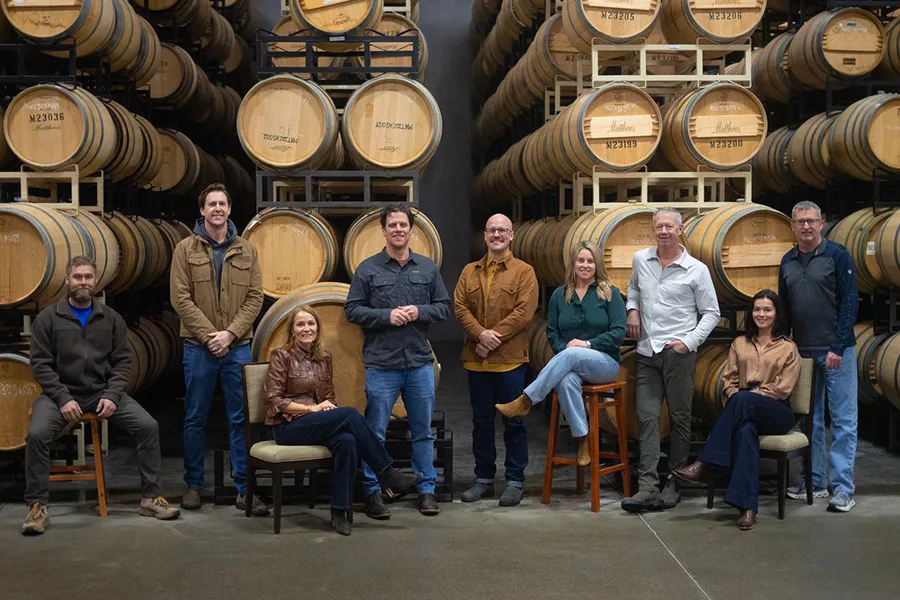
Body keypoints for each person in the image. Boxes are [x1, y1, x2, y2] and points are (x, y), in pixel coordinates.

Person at [23, 256, 180, 535]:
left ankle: (150, 498)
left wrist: (112, 394)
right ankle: (37, 506)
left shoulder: (111, 318)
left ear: (96, 282)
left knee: (147, 426)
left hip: (101, 393)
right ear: (67, 280)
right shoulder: (48, 318)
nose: (83, 282)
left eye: (88, 277)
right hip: (61, 395)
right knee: (37, 434)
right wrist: (62, 397)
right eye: (77, 277)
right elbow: (40, 365)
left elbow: (122, 363)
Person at [264, 305, 418, 535]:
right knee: (350, 414)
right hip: (288, 427)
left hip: (315, 423)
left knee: (347, 441)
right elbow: (273, 401)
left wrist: (323, 409)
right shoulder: (281, 355)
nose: (306, 328)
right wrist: (312, 408)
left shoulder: (323, 358)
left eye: (311, 323)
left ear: (317, 327)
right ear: (292, 330)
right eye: (300, 324)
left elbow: (329, 398)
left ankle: (339, 511)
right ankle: (385, 471)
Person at [345, 204, 451, 519]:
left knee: (422, 431)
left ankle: (426, 490)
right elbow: (352, 310)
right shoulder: (367, 269)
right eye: (392, 225)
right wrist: (386, 316)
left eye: (403, 224)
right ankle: (373, 491)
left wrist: (420, 311)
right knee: (374, 432)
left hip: (419, 362)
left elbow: (444, 307)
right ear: (384, 230)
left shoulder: (427, 269)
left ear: (411, 230)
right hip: (381, 363)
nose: (398, 229)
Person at [170, 182, 267, 515]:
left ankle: (244, 489)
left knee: (240, 419)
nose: (217, 209)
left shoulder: (247, 250)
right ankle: (194, 486)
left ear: (229, 209)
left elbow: (256, 297)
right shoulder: (185, 249)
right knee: (195, 417)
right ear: (202, 210)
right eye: (211, 204)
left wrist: (230, 334)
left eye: (222, 203)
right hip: (198, 346)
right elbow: (180, 298)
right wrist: (212, 335)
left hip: (237, 346)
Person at [673, 290, 801, 530]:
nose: (761, 314)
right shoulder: (739, 343)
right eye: (757, 309)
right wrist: (739, 396)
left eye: (767, 310)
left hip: (777, 411)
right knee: (745, 432)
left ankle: (704, 463)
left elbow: (783, 389)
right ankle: (747, 508)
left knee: (743, 400)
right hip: (743, 409)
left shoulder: (788, 347)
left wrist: (749, 396)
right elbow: (728, 382)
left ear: (776, 314)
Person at [621, 207, 720, 513]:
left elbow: (712, 313)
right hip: (647, 352)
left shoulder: (696, 270)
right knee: (647, 416)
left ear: (680, 231)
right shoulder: (642, 260)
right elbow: (634, 289)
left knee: (679, 418)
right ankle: (647, 485)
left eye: (669, 227)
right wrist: (632, 309)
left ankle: (674, 482)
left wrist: (688, 343)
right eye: (659, 226)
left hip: (678, 355)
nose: (663, 232)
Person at [497, 241, 625, 467]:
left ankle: (526, 400)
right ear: (573, 263)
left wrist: (586, 344)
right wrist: (565, 349)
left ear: (597, 264)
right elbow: (553, 332)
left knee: (573, 353)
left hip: (604, 363)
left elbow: (618, 334)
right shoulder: (559, 294)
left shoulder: (610, 294)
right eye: (581, 260)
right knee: (565, 381)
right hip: (569, 362)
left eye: (590, 261)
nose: (585, 265)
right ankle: (581, 438)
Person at [778, 200, 859, 512]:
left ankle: (843, 489)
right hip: (803, 354)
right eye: (800, 222)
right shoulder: (787, 260)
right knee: (809, 421)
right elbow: (784, 310)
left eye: (811, 221)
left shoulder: (837, 256)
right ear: (792, 225)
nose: (806, 227)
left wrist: (837, 346)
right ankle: (814, 481)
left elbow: (850, 303)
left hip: (837, 352)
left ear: (821, 223)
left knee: (842, 420)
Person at [454, 214, 538, 506]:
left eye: (502, 230)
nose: (497, 235)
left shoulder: (524, 272)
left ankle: (515, 480)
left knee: (514, 421)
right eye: (492, 230)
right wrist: (479, 335)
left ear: (512, 235)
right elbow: (461, 307)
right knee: (481, 422)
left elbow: (524, 313)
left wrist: (490, 339)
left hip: (510, 361)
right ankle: (483, 479)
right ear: (486, 235)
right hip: (476, 362)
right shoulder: (469, 271)